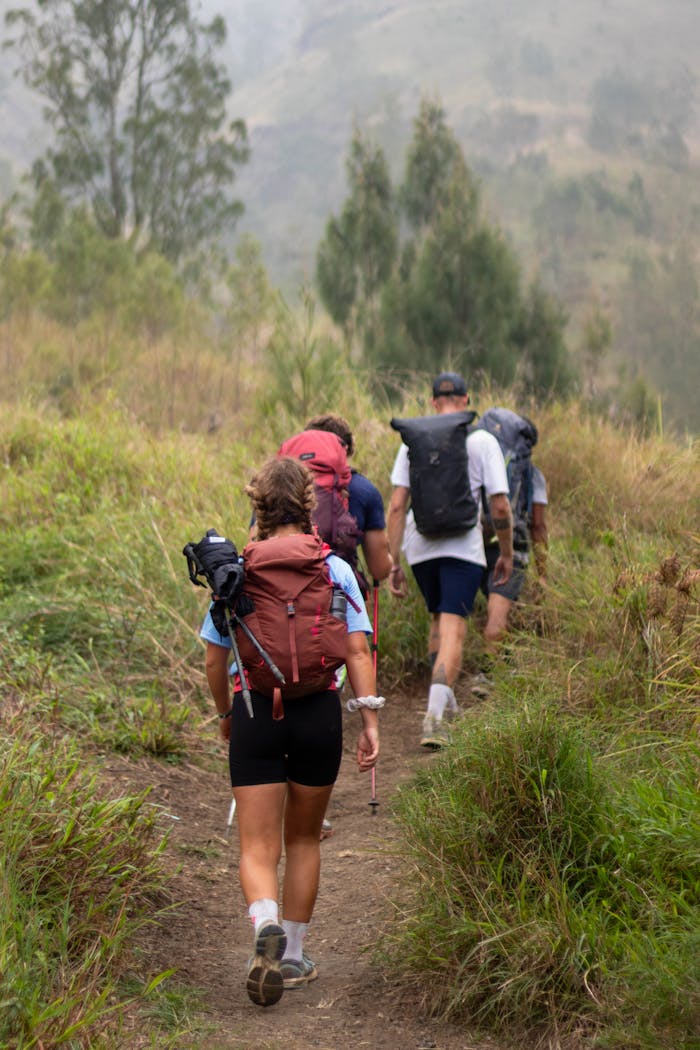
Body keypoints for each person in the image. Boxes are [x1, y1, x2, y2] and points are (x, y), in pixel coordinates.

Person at [201, 456, 381, 1007]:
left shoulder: (235, 571)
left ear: (257, 505)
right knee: (303, 838)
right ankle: (296, 955)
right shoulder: (334, 567)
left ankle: (264, 924)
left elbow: (214, 658)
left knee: (257, 845)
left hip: (254, 711)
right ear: (309, 506)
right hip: (318, 714)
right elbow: (356, 648)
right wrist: (369, 720)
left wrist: (227, 715)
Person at [387, 372, 513, 749]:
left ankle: (447, 703)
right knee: (454, 630)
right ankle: (434, 719)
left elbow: (396, 506)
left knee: (438, 623)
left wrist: (394, 562)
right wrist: (505, 552)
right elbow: (500, 504)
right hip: (462, 548)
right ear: (466, 399)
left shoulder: (414, 440)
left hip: (420, 547)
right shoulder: (481, 440)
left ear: (432, 402)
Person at [302, 414, 393, 589]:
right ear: (347, 450)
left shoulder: (282, 486)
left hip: (286, 598)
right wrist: (389, 555)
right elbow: (380, 570)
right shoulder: (364, 491)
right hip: (340, 598)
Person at [477, 463, 549, 665]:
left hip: (475, 546)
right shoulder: (532, 474)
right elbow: (538, 525)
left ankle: (504, 660)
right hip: (514, 546)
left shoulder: (479, 464)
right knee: (499, 611)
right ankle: (489, 673)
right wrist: (542, 572)